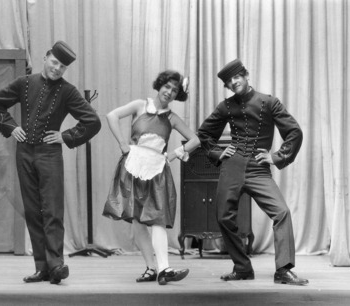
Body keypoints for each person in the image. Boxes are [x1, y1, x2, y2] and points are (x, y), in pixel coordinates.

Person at [0, 41, 101, 285]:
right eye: (54, 62)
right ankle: (42, 268)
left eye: (62, 67)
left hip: (49, 155)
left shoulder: (68, 91)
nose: (57, 69)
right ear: (45, 57)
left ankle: (57, 265)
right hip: (24, 154)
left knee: (52, 211)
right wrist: (10, 127)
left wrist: (65, 136)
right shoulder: (24, 83)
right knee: (32, 211)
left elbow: (92, 121)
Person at [197, 59, 308, 286]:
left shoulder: (269, 102)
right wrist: (218, 153)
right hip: (233, 166)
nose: (233, 82)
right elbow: (204, 133)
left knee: (281, 212)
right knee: (223, 216)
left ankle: (283, 271)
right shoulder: (226, 106)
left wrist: (276, 157)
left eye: (236, 77)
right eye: (229, 82)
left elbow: (294, 131)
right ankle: (242, 268)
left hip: (258, 169)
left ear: (246, 76)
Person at [102, 70, 199, 285]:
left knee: (157, 219)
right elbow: (112, 116)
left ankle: (165, 268)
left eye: (175, 90)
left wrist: (173, 154)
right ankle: (151, 268)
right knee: (137, 221)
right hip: (133, 167)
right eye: (167, 87)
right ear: (159, 85)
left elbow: (195, 140)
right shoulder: (139, 105)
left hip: (156, 171)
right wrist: (121, 143)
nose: (169, 92)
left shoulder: (172, 118)